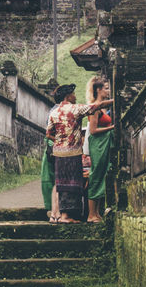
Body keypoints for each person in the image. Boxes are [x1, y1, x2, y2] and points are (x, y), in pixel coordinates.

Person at [46, 83, 112, 223]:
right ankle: (67, 217)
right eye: (73, 94)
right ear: (68, 96)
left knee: (62, 183)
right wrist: (114, 101)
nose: (75, 96)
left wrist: (60, 141)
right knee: (73, 183)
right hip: (73, 152)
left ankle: (63, 215)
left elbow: (48, 133)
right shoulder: (75, 109)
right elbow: (96, 107)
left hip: (58, 153)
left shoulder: (54, 112)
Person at [85, 77, 116, 223]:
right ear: (98, 90)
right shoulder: (94, 108)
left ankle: (96, 212)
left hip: (103, 142)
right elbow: (93, 130)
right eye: (105, 88)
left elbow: (110, 102)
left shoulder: (102, 106)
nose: (108, 91)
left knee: (102, 173)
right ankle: (91, 214)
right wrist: (112, 128)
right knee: (96, 174)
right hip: (98, 143)